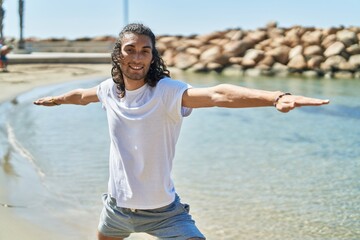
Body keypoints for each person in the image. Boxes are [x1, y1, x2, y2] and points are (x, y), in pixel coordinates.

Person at [34, 23, 329, 240]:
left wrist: (275, 97)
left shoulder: (168, 92)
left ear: (152, 57)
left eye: (145, 51)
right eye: (130, 50)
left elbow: (218, 94)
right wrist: (57, 99)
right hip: (116, 210)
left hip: (165, 213)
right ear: (118, 55)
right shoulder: (108, 90)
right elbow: (82, 95)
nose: (137, 57)